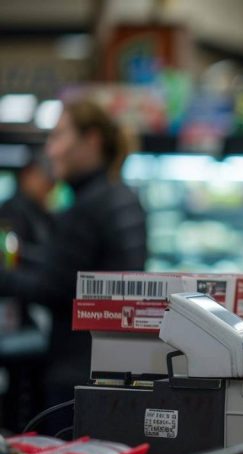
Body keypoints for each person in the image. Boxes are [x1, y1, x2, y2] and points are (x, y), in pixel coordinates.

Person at [0, 99, 147, 419]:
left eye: (58, 136)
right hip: (115, 366)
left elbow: (56, 288)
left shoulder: (87, 207)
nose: (50, 150)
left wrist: (6, 277)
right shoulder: (123, 196)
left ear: (91, 140)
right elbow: (77, 270)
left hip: (77, 374)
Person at [0, 151, 55, 433]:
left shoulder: (38, 212)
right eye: (47, 179)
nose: (51, 187)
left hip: (29, 319)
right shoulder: (14, 212)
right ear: (29, 175)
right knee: (20, 392)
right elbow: (10, 265)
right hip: (17, 319)